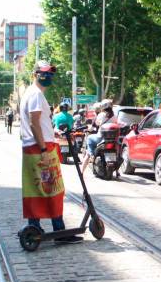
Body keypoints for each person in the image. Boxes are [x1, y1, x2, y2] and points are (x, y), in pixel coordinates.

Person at [20, 60, 81, 243]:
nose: (47, 76)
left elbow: (38, 123)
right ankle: (59, 231)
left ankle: (35, 227)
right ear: (35, 74)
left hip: (34, 147)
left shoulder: (30, 93)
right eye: (43, 73)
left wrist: (51, 132)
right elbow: (34, 122)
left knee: (37, 189)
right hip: (40, 149)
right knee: (54, 188)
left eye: (50, 74)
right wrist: (44, 149)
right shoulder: (36, 94)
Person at [81, 100, 114, 174]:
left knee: (89, 139)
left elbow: (95, 125)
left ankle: (91, 156)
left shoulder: (101, 115)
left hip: (100, 138)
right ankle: (118, 172)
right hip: (113, 139)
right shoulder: (114, 116)